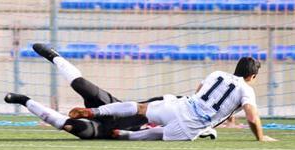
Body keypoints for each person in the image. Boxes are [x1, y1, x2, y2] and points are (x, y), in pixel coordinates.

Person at [3, 43, 218, 140]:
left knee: (68, 125)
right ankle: (54, 56)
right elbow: (153, 104)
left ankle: (24, 100)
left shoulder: (182, 128)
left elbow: (195, 129)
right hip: (116, 111)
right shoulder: (173, 106)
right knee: (82, 86)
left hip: (107, 132)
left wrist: (207, 131)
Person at [68, 57, 276, 142]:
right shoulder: (246, 89)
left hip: (182, 105)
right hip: (192, 124)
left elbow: (200, 89)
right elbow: (251, 115)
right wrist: (260, 136)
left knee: (140, 108)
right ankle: (123, 135)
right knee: (158, 134)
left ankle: (96, 112)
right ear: (253, 77)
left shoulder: (218, 74)